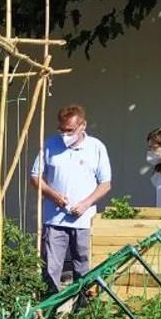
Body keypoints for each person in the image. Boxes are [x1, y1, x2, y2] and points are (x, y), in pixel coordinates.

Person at [30, 105, 112, 292]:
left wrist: (86, 203)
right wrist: (53, 195)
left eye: (70, 130)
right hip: (54, 219)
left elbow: (105, 183)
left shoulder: (96, 147)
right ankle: (49, 311)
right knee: (51, 268)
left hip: (84, 220)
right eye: (61, 129)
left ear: (83, 125)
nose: (65, 134)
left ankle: (81, 311)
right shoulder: (50, 144)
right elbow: (35, 177)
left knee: (83, 267)